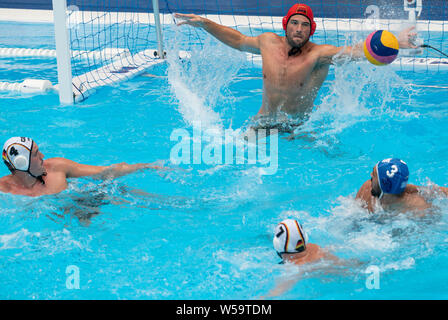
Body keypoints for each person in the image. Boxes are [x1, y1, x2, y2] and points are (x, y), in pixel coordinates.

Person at [175, 4, 418, 130]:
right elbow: (237, 39)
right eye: (294, 23)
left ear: (311, 29)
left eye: (304, 25)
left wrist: (398, 42)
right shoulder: (267, 42)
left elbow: (357, 51)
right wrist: (205, 23)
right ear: (286, 25)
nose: (299, 29)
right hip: (263, 123)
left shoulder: (319, 55)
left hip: (299, 127)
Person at [0, 137, 164, 197]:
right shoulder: (4, 189)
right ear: (22, 163)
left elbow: (105, 172)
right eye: (36, 154)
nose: (43, 156)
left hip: (89, 200)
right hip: (62, 223)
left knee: (129, 194)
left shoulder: (57, 167)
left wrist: (146, 166)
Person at [356, 158, 448, 214]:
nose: (371, 174)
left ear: (384, 184)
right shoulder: (366, 188)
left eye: (374, 175)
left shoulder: (417, 208)